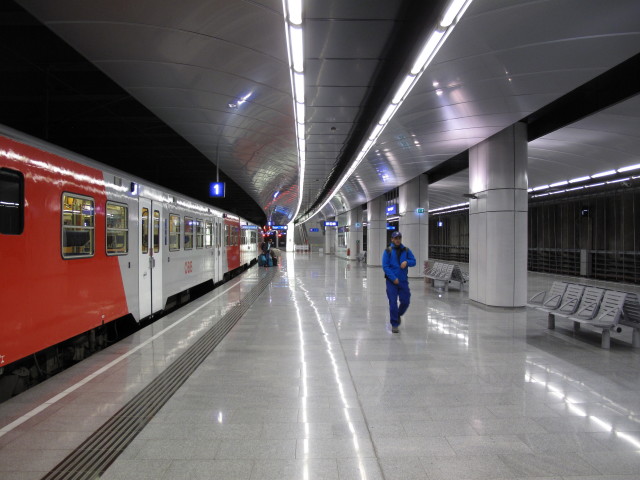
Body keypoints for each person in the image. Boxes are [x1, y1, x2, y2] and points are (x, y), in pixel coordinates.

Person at [382, 231, 416, 333]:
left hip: (403, 281)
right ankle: (394, 324)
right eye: (395, 238)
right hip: (391, 282)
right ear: (392, 239)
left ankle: (398, 315)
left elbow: (414, 261)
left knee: (406, 301)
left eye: (399, 238)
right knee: (393, 303)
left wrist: (407, 262)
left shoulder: (406, 250)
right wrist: (393, 278)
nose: (397, 240)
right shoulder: (387, 251)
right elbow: (385, 266)